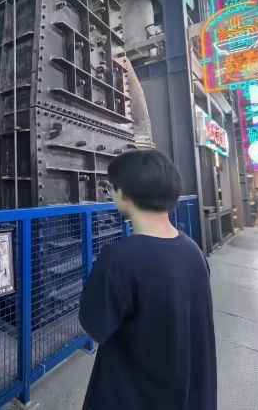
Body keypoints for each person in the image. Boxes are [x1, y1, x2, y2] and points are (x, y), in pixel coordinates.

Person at [79, 149, 216, 410]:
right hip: (188, 396)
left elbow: (93, 326)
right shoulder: (194, 251)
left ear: (124, 194)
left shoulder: (119, 259)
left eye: (112, 188)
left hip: (132, 397)